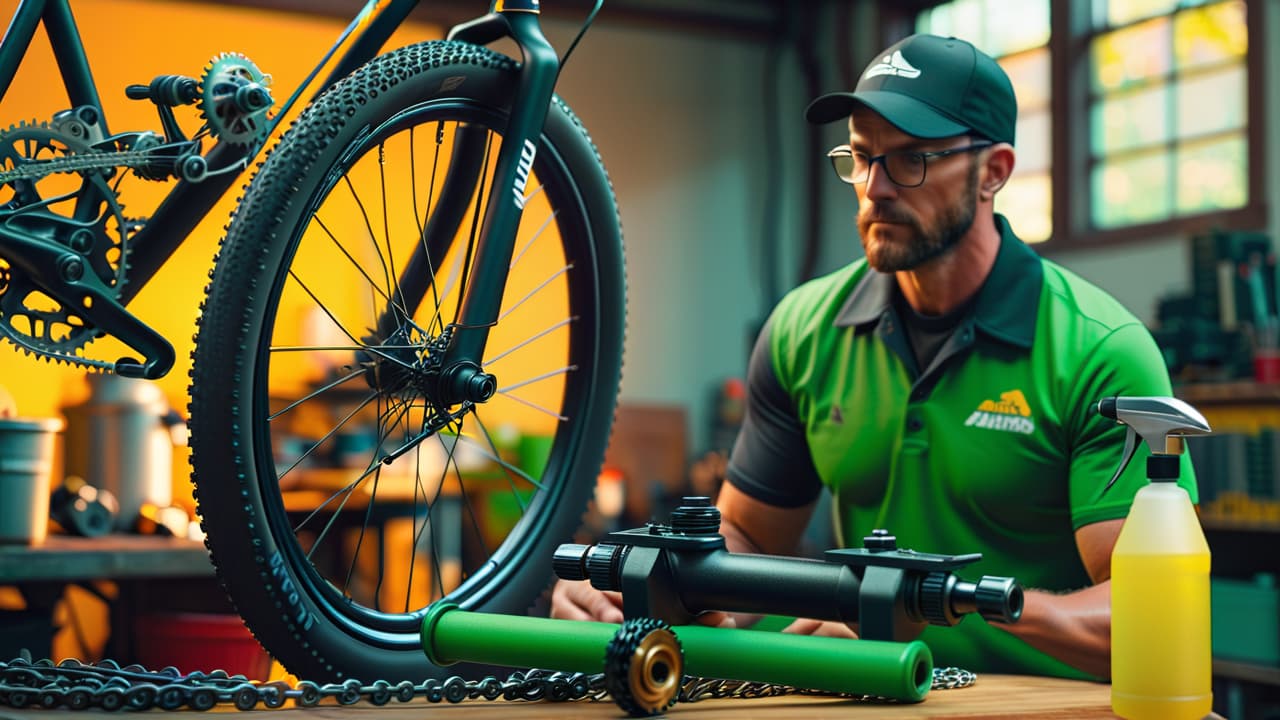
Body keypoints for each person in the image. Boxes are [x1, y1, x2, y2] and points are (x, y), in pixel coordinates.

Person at [551, 33, 1196, 682]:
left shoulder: (1100, 354)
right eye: (860, 158)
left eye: (910, 160)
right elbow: (746, 538)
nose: (874, 188)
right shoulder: (804, 331)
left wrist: (927, 602)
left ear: (993, 171)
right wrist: (659, 592)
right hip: (879, 692)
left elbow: (1152, 613)